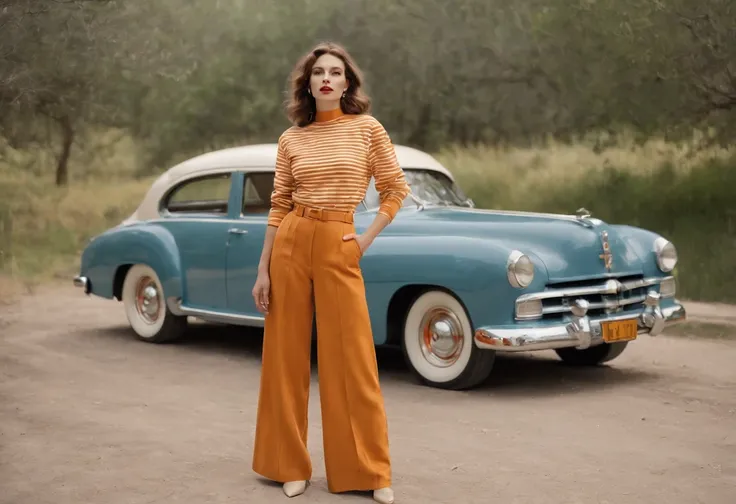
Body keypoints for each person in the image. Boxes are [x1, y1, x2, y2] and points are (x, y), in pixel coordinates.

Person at [250, 42, 411, 504]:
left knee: (353, 358)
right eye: (318, 71)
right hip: (292, 241)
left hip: (341, 239)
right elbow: (278, 205)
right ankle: (287, 464)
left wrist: (364, 239)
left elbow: (395, 189)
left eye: (335, 72)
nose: (326, 78)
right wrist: (263, 268)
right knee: (285, 357)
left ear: (347, 82)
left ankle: (369, 471)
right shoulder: (291, 139)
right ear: (308, 83)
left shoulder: (366, 129)